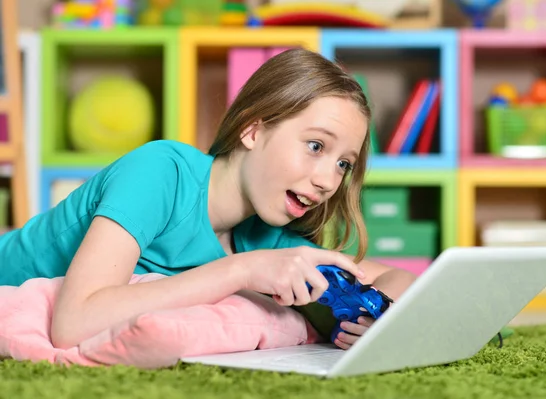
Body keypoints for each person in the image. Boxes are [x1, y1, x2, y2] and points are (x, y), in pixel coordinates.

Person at [0, 48, 417, 350]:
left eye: (344, 164)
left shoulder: (270, 235)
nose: (329, 180)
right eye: (315, 146)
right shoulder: (162, 171)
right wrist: (242, 271)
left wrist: (382, 317)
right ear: (252, 132)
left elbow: (399, 278)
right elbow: (72, 325)